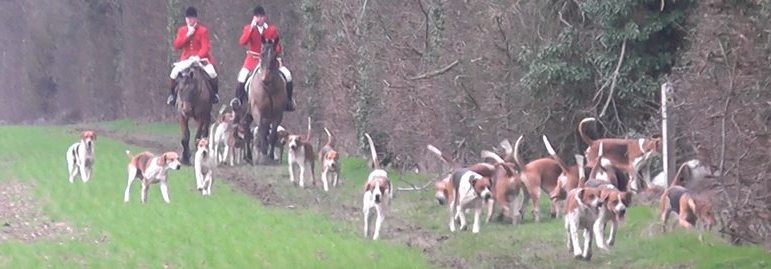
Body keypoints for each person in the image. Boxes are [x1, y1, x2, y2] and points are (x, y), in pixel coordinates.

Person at [233, 5, 295, 111]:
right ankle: (238, 100)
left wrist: (274, 49)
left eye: (261, 16)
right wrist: (251, 28)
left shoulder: (272, 30)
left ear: (265, 17)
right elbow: (242, 41)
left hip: (269, 61)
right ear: (254, 18)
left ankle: (288, 100)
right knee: (242, 76)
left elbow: (278, 47)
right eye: (257, 16)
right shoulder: (248, 28)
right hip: (253, 60)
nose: (259, 19)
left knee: (288, 75)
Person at [167, 6, 219, 106]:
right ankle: (172, 96)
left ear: (196, 19)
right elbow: (177, 45)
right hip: (186, 59)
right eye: (187, 18)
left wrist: (198, 57)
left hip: (201, 59)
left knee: (212, 73)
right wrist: (187, 36)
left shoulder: (203, 30)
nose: (189, 20)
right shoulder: (182, 30)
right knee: (173, 73)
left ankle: (214, 95)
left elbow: (205, 47)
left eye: (191, 18)